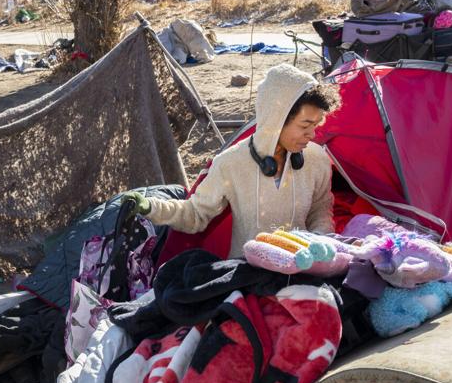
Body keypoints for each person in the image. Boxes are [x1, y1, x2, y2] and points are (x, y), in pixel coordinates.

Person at [125, 63, 338, 258]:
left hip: (302, 267)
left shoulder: (316, 160)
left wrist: (320, 240)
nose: (312, 134)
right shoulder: (230, 163)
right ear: (277, 119)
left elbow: (320, 210)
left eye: (316, 125)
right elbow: (195, 214)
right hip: (246, 274)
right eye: (304, 126)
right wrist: (151, 207)